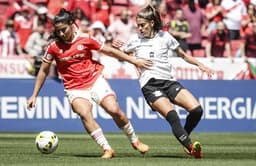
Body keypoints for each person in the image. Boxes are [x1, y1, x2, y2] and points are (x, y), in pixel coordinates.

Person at [26, 8, 152, 159]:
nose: (61, 34)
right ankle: (107, 149)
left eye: (63, 30)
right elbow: (43, 71)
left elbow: (110, 51)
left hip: (94, 79)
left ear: (72, 24)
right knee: (84, 114)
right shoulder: (53, 46)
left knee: (114, 110)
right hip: (74, 88)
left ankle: (135, 140)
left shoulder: (86, 38)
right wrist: (34, 95)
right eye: (58, 31)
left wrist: (133, 60)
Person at [121, 5, 214, 159]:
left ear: (151, 22)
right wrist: (135, 61)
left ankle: (184, 136)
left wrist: (200, 65)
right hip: (150, 85)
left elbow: (183, 55)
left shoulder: (165, 37)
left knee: (197, 110)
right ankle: (191, 147)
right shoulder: (135, 40)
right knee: (173, 116)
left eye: (142, 25)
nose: (140, 28)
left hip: (169, 82)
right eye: (138, 25)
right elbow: (121, 54)